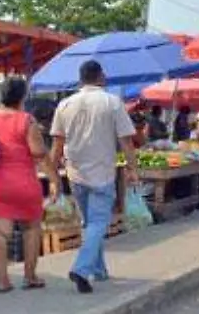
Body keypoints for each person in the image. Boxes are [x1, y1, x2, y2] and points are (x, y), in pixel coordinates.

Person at [49, 60, 138, 294]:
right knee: (98, 223)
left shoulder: (65, 104)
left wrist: (53, 176)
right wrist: (132, 168)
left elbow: (56, 145)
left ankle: (99, 270)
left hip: (75, 173)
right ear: (101, 77)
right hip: (102, 173)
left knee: (89, 223)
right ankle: (82, 268)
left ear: (80, 79)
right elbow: (126, 141)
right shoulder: (112, 102)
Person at [0, 77, 56, 293]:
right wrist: (54, 179)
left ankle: (2, 281)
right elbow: (39, 154)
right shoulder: (26, 120)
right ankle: (30, 277)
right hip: (22, 183)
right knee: (31, 228)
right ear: (22, 96)